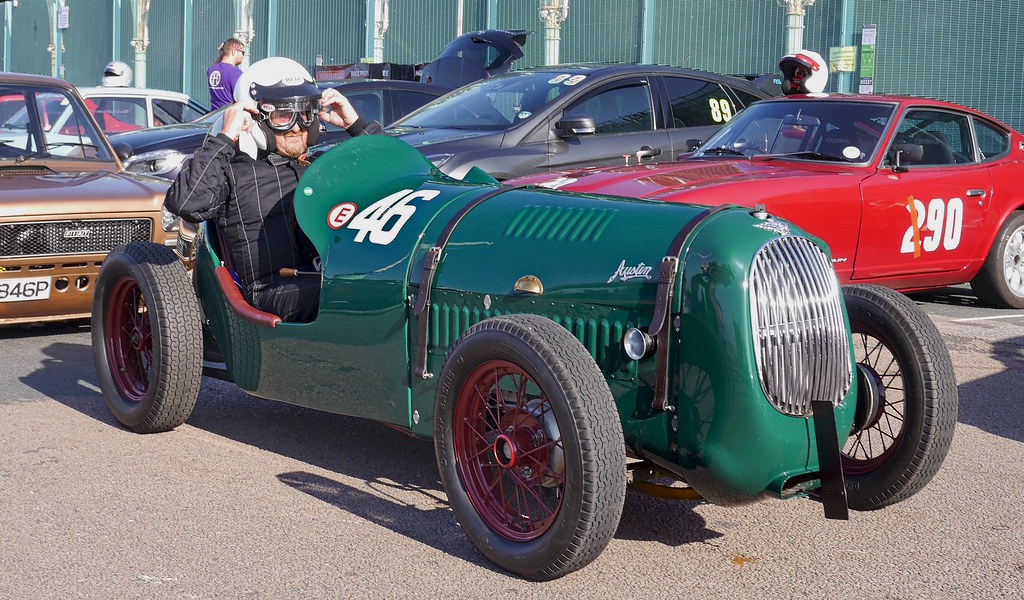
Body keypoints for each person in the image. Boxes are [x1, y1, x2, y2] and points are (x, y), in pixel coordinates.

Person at [165, 57, 384, 323]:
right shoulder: (235, 172)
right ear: (257, 118)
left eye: (305, 114)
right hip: (271, 291)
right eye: (283, 115)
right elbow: (186, 201)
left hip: (332, 274)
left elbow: (402, 178)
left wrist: (355, 124)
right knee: (358, 293)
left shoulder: (322, 166)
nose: (296, 127)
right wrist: (225, 135)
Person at [207, 37, 246, 110]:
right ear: (234, 51)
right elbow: (241, 99)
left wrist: (222, 53)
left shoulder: (211, 70)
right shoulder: (235, 73)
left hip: (214, 115)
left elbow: (216, 66)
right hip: (229, 115)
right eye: (242, 52)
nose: (243, 56)